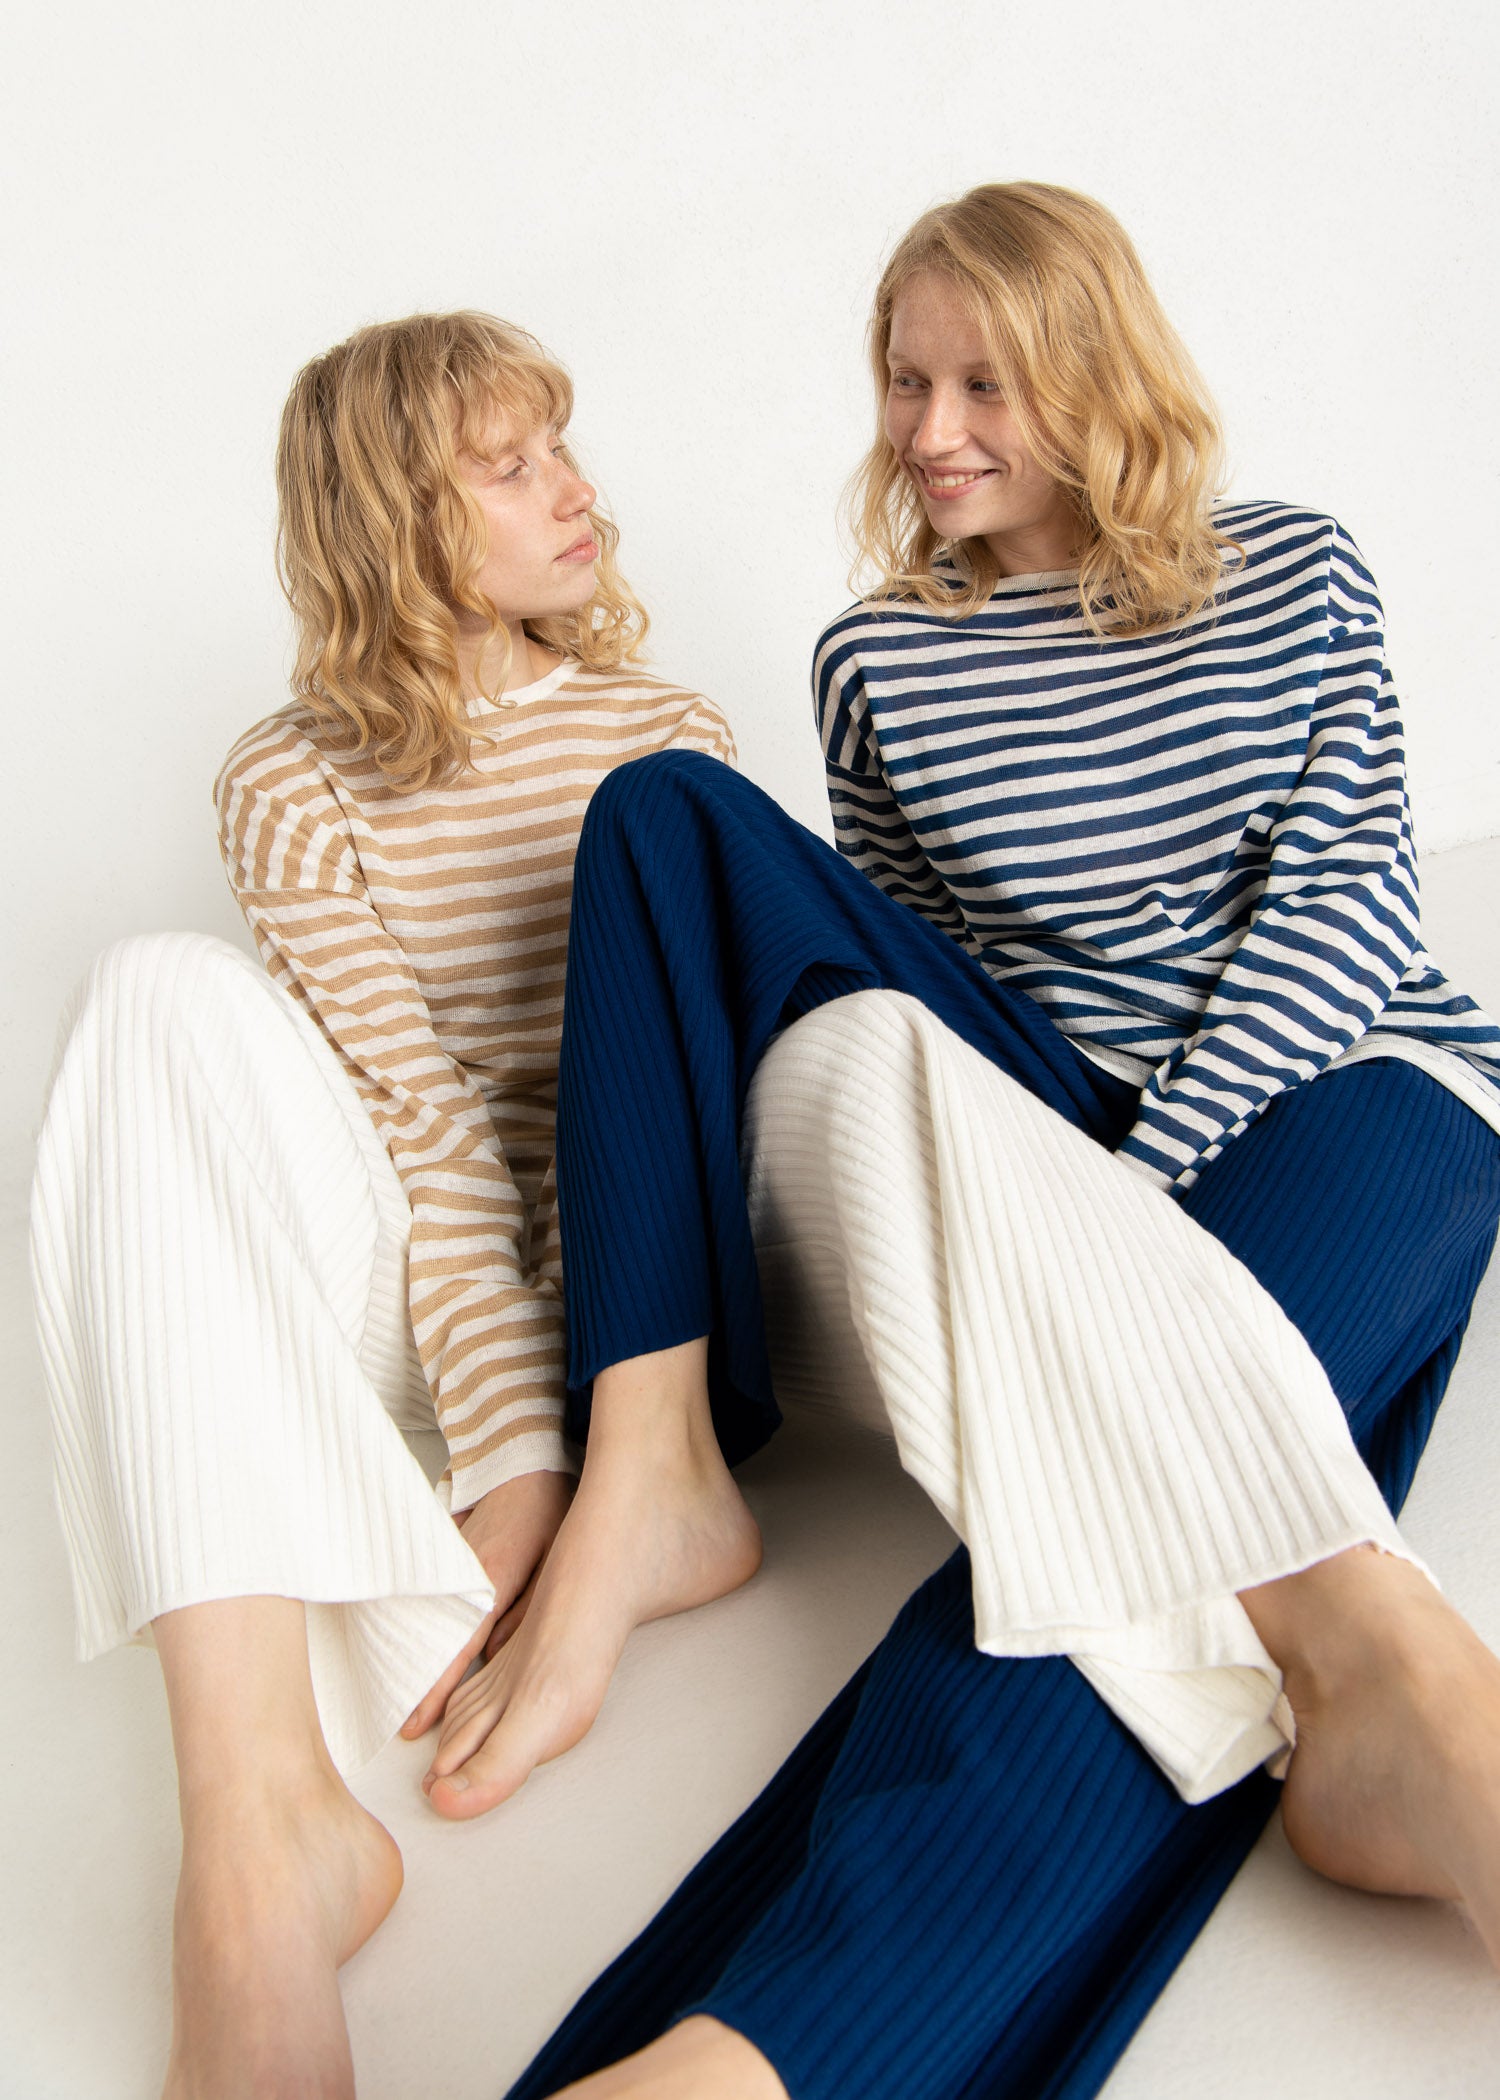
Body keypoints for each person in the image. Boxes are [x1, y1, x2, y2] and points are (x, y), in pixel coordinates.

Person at [482, 184, 1500, 2099]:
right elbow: (917, 962)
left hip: (1349, 1088)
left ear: (1098, 377)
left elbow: (1351, 912)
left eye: (986, 384)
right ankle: (651, 1447)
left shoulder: (1293, 571)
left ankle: (757, 2055)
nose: (930, 431)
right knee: (665, 810)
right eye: (905, 379)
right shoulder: (878, 659)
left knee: (1096, 1508)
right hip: (1047, 1108)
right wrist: (1027, 1189)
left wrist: (1133, 1202)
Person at [28, 310, 749, 2099]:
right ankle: (264, 1835)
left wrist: (582, 1441)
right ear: (391, 527)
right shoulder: (288, 786)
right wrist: (512, 1467)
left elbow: (653, 1106)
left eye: (562, 446)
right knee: (150, 993)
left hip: (654, 1294)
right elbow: (427, 1137)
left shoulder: (667, 737)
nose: (575, 491)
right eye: (510, 466)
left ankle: (628, 1488)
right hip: (431, 1297)